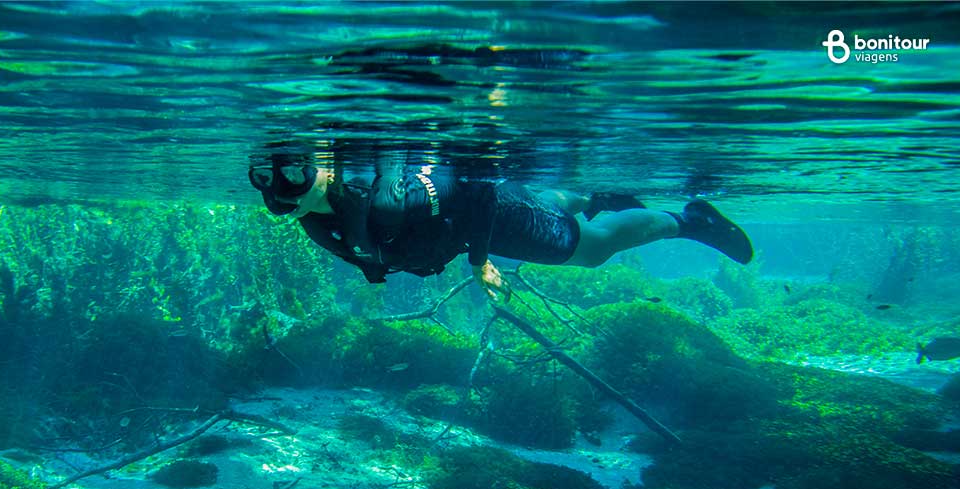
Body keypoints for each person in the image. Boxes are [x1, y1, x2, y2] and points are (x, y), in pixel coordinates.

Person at [249, 155, 753, 299]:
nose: (285, 180)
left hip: (492, 218)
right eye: (275, 180)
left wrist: (479, 261)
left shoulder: (380, 196)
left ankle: (688, 221)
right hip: (477, 215)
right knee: (542, 201)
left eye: (297, 169)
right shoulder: (323, 221)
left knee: (591, 248)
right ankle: (595, 196)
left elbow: (479, 192)